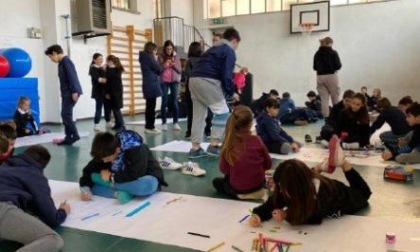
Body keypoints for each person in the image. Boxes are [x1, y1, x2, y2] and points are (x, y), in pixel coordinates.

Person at [249, 157, 371, 227]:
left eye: (283, 187)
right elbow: (273, 202)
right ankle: (318, 168)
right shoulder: (289, 187)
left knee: (364, 194)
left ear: (294, 188)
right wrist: (258, 215)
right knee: (303, 177)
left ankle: (344, 163)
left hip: (340, 196)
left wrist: (287, 214)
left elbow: (314, 217)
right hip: (308, 182)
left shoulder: (321, 195)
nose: (280, 190)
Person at [0, 145, 70, 251]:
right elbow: (52, 218)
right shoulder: (34, 174)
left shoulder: (4, 165)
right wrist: (63, 211)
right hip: (2, 209)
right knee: (52, 239)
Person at [188, 28, 241, 158]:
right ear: (234, 41)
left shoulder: (212, 49)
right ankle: (214, 145)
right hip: (207, 81)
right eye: (237, 45)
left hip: (193, 80)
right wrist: (232, 92)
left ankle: (195, 149)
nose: (236, 48)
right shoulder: (229, 51)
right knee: (223, 113)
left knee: (198, 116)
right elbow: (226, 74)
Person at [79, 130, 168, 204]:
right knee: (92, 184)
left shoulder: (136, 148)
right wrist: (85, 189)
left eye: (108, 158)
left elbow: (136, 174)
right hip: (125, 181)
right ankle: (123, 193)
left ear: (117, 150)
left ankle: (110, 187)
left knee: (148, 185)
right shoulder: (107, 149)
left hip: (143, 178)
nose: (105, 161)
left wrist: (111, 178)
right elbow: (89, 169)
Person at [213, 106, 272, 200]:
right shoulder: (257, 140)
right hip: (258, 185)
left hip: (237, 189)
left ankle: (241, 194)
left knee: (216, 182)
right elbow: (268, 164)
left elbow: (224, 169)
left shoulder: (228, 143)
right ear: (250, 124)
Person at [45, 44, 83, 145]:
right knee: (66, 114)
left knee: (65, 114)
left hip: (71, 92)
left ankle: (74, 135)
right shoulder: (61, 63)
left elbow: (72, 76)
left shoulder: (66, 61)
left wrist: (75, 91)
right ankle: (69, 136)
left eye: (50, 57)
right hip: (67, 93)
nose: (51, 59)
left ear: (54, 53)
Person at [184, 42, 212, 139]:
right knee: (207, 108)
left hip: (191, 86)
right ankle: (208, 130)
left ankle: (189, 131)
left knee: (191, 110)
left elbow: (187, 73)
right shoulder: (205, 60)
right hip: (204, 86)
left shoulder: (189, 61)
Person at [313, 37, 342, 119]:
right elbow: (339, 66)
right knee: (335, 97)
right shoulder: (333, 53)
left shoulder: (317, 54)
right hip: (331, 76)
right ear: (330, 43)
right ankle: (337, 117)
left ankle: (326, 119)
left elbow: (314, 67)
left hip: (319, 77)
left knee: (324, 100)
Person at [159, 40, 182, 131]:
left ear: (172, 49)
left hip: (174, 81)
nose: (169, 50)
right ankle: (164, 123)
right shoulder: (160, 56)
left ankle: (175, 122)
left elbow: (180, 70)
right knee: (164, 102)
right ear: (165, 49)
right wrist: (165, 65)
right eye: (167, 49)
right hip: (164, 81)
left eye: (170, 49)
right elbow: (158, 70)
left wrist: (173, 65)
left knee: (174, 102)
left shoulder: (176, 57)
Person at [139, 42, 162, 134]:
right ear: (151, 49)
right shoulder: (149, 57)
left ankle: (148, 126)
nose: (156, 52)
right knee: (151, 107)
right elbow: (159, 69)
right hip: (151, 84)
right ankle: (150, 127)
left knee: (149, 107)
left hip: (148, 84)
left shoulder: (144, 57)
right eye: (155, 50)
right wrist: (156, 59)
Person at [89, 53, 111, 131]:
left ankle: (108, 122)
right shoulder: (93, 68)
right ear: (94, 60)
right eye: (99, 59)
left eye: (102, 59)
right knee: (99, 108)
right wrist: (104, 79)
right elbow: (98, 79)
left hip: (104, 91)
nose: (101, 60)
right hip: (98, 92)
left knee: (107, 107)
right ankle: (96, 124)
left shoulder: (102, 68)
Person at [105, 55, 125, 131]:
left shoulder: (114, 69)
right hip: (114, 91)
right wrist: (107, 93)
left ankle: (121, 124)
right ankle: (118, 124)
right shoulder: (115, 69)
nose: (106, 63)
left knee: (116, 109)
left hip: (116, 91)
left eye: (107, 61)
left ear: (110, 61)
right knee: (114, 108)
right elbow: (108, 82)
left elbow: (108, 81)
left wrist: (107, 92)